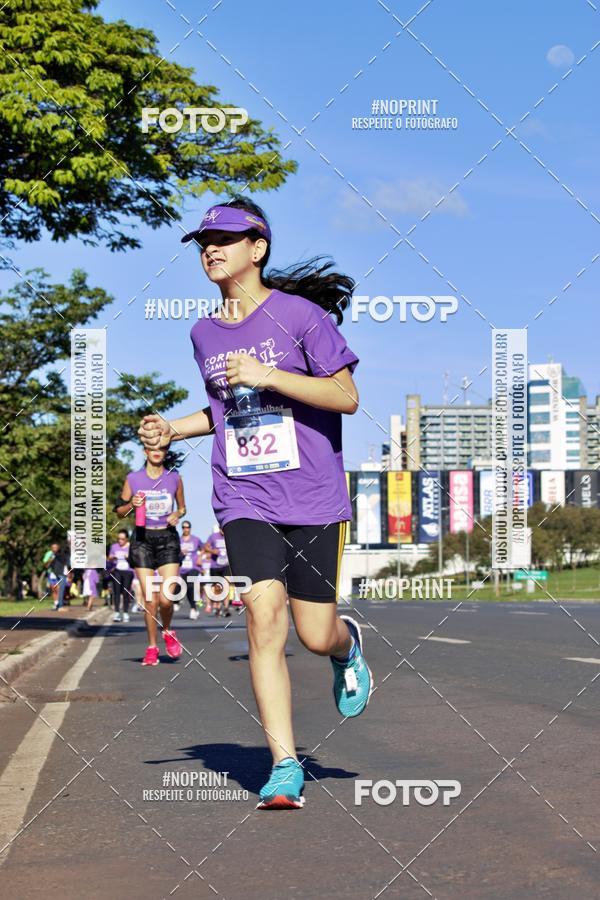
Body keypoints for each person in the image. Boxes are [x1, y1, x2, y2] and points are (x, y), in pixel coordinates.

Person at [138, 196, 372, 809]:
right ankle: (284, 765)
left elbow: (345, 396)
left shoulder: (301, 317)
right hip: (243, 496)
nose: (210, 250)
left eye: (223, 239)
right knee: (262, 618)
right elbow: (223, 412)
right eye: (203, 243)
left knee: (314, 634)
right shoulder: (203, 333)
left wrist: (269, 375)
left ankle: (346, 647)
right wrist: (173, 429)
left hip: (313, 495)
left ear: (258, 247)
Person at [114, 447, 186, 666]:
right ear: (145, 452)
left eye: (161, 448)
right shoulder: (133, 478)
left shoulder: (174, 478)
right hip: (142, 540)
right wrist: (131, 505)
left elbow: (183, 508)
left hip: (168, 540)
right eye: (152, 448)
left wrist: (177, 514)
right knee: (149, 599)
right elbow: (119, 511)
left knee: (166, 598)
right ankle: (152, 647)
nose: (157, 452)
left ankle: (168, 630)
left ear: (165, 452)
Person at [203, 523, 231, 617]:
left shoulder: (229, 536)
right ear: (219, 528)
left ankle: (226, 608)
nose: (222, 530)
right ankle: (218, 606)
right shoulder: (213, 536)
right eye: (221, 528)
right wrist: (212, 551)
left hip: (226, 565)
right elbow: (206, 547)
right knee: (217, 587)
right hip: (215, 566)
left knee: (226, 585)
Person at [108, 530, 135, 623]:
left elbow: (135, 559)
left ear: (126, 539)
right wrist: (112, 557)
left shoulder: (131, 547)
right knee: (116, 591)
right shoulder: (114, 546)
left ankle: (125, 612)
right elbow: (109, 558)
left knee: (126, 592)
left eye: (122, 539)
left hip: (128, 571)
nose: (120, 541)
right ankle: (116, 612)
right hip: (117, 571)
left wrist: (128, 557)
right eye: (119, 539)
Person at [179, 520, 202, 619]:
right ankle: (193, 607)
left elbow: (204, 548)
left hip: (194, 567)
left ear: (190, 528)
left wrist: (200, 557)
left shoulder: (196, 539)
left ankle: (193, 609)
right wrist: (180, 553)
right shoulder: (178, 540)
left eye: (187, 527)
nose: (186, 529)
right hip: (182, 568)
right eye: (184, 527)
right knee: (186, 588)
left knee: (191, 584)